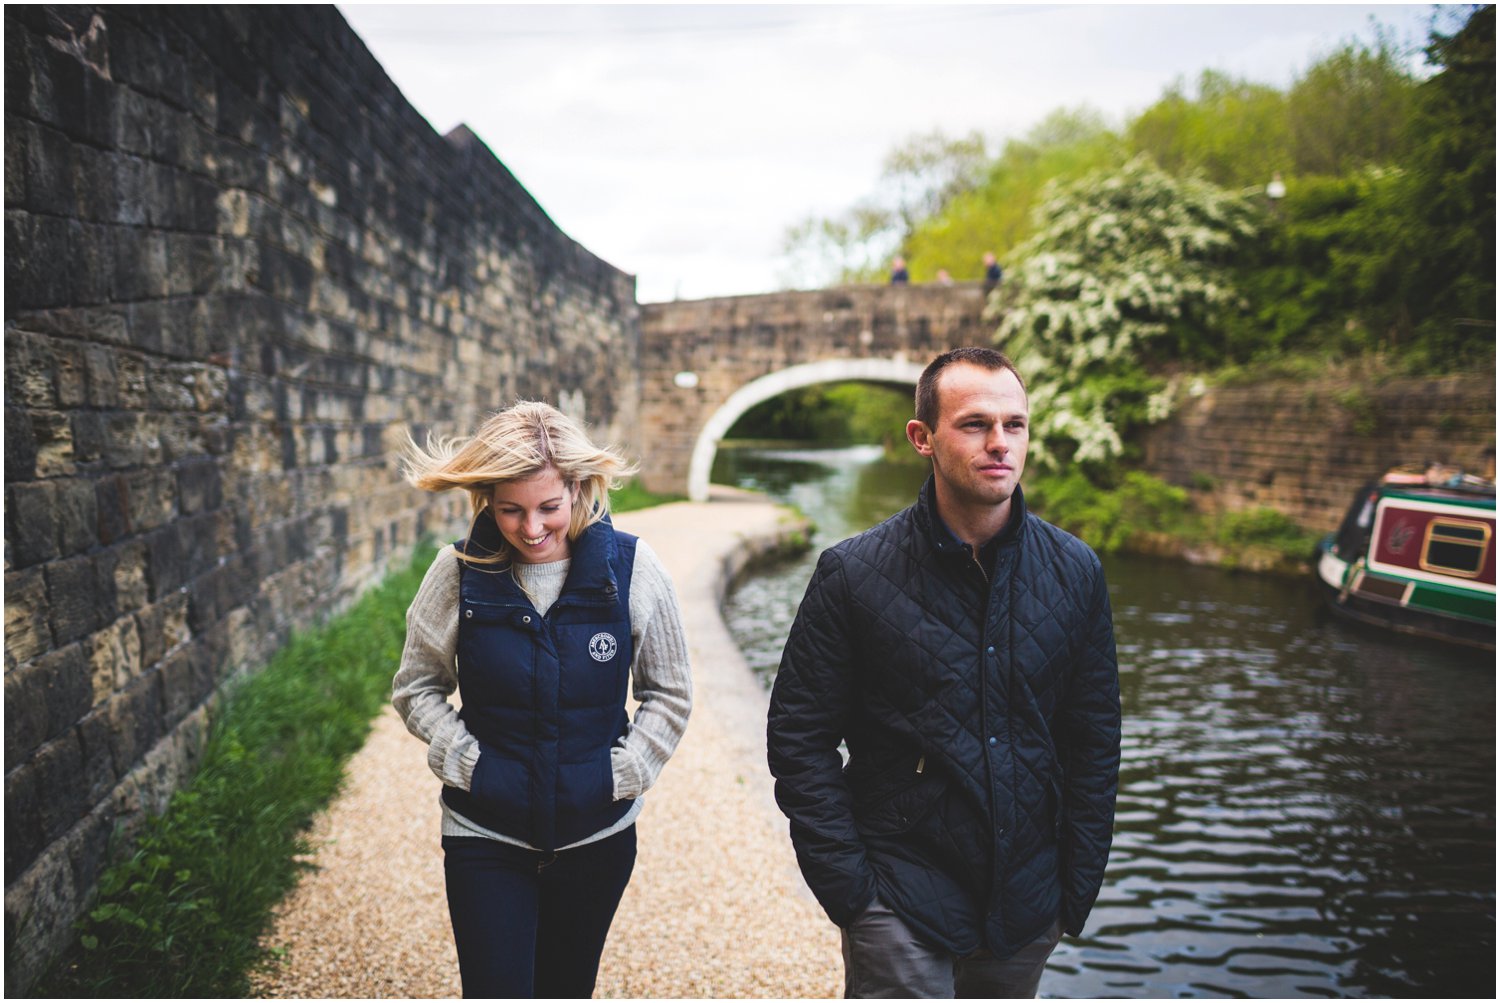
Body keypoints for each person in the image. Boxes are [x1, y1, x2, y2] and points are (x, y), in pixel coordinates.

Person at [766, 347, 1120, 998]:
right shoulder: (852, 574)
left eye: (1015, 425)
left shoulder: (1076, 571)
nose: (999, 443)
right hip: (900, 898)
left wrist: (1074, 886)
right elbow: (798, 737)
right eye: (975, 423)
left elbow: (1093, 739)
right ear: (922, 437)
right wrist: (855, 895)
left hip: (1026, 904)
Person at [394, 401, 692, 998]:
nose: (531, 528)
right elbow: (416, 687)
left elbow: (670, 694)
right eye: (511, 510)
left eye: (548, 507)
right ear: (486, 501)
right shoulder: (455, 573)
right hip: (484, 834)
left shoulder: (634, 568)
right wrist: (466, 761)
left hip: (597, 840)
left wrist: (625, 772)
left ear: (578, 490)